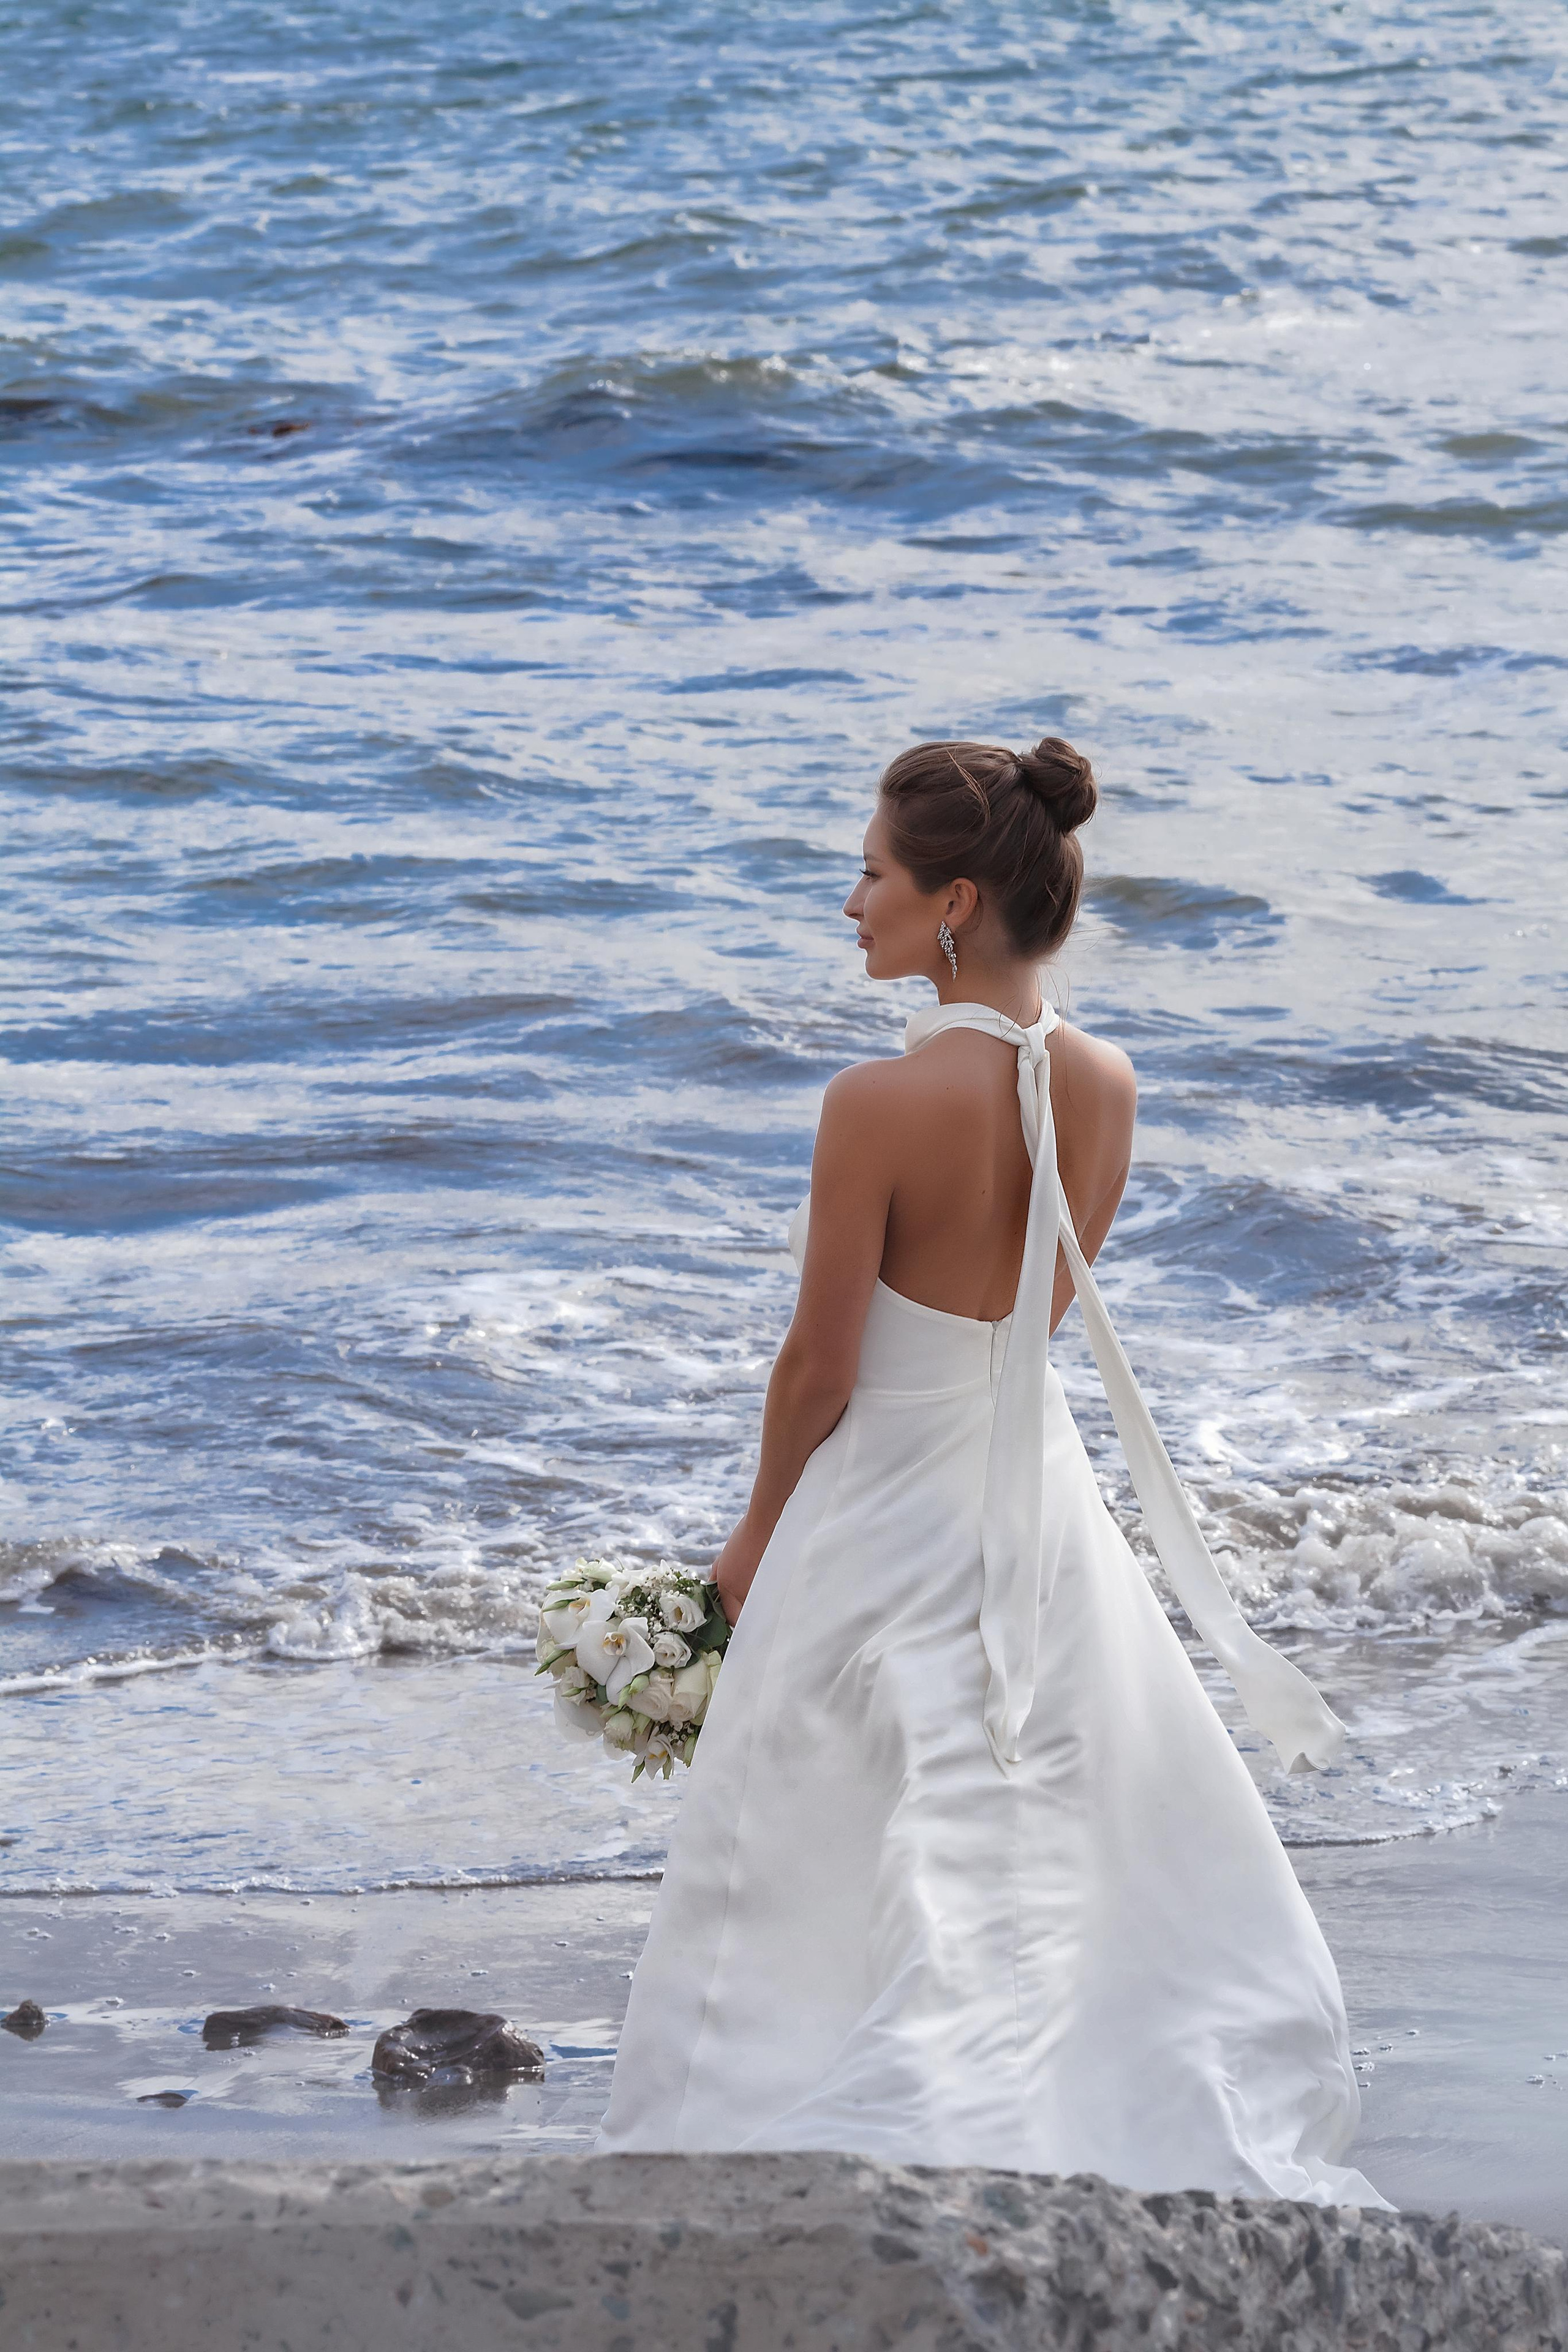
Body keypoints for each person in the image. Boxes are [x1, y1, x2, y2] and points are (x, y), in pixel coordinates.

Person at [596, 735, 1385, 2206]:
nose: (849, 904)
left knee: (848, 1814)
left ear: (950, 901)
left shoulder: (870, 1106)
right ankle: (1050, 2090)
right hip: (1030, 1496)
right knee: (1027, 1808)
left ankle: (838, 2108)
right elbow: (1036, 1316)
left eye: (871, 875)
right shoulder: (1109, 1084)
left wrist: (749, 1545)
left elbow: (818, 1370)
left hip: (880, 1495)